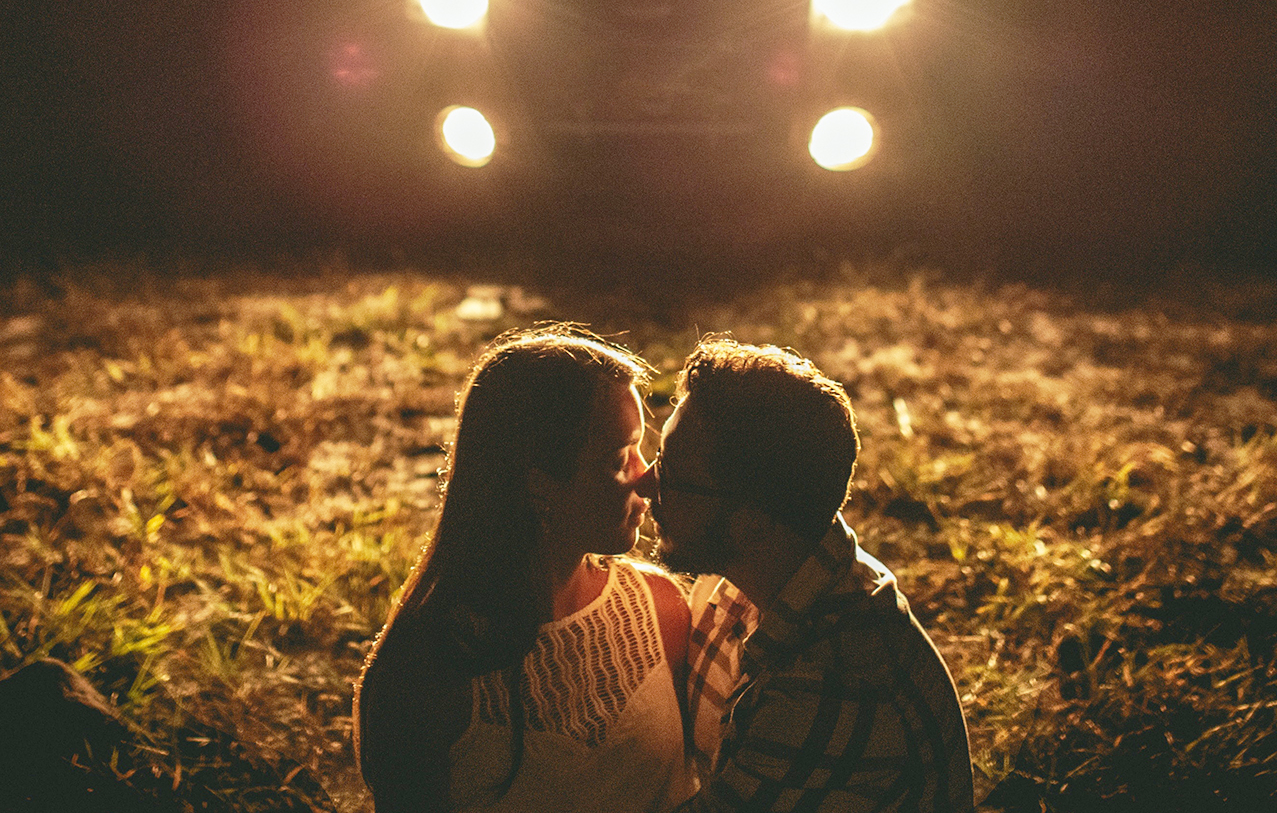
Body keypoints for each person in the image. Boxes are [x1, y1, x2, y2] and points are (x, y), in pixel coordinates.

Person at [354, 324, 697, 812]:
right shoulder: (426, 673)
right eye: (619, 457)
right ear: (539, 485)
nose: (646, 479)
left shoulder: (663, 612)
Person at [647, 338, 976, 812]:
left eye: (672, 476)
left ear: (754, 518)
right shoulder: (762, 571)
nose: (645, 484)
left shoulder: (831, 683)